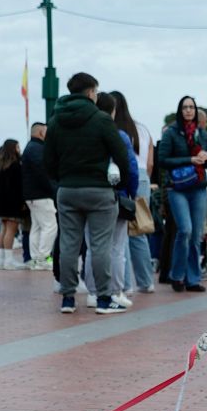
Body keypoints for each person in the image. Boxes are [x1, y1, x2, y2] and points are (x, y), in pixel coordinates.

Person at [44, 71, 131, 315]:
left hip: (68, 189)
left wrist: (61, 179)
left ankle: (68, 298)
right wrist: (117, 181)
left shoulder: (56, 120)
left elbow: (48, 159)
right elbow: (121, 155)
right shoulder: (101, 119)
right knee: (100, 245)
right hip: (99, 190)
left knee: (69, 244)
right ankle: (103, 298)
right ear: (91, 92)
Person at [79, 91, 135, 308]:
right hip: (115, 196)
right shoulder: (118, 135)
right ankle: (115, 290)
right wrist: (130, 192)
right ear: (112, 111)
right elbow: (130, 166)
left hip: (86, 192)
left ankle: (93, 291)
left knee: (93, 246)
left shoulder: (84, 133)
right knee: (117, 247)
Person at [158, 95, 207, 291]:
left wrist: (205, 158)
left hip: (198, 187)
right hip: (177, 187)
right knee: (185, 230)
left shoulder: (202, 134)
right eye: (185, 107)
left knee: (196, 234)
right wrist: (189, 159)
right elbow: (162, 160)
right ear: (180, 110)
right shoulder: (171, 133)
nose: (189, 110)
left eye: (192, 107)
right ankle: (176, 275)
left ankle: (193, 279)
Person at [111, 90, 155, 293]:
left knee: (122, 231)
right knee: (140, 229)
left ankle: (126, 284)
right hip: (144, 176)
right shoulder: (143, 129)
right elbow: (150, 162)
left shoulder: (113, 130)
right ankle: (146, 281)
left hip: (123, 176)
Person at [20, 121, 57, 270]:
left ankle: (36, 258)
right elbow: (43, 172)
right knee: (50, 226)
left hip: (32, 195)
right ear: (41, 132)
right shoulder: (37, 149)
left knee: (37, 227)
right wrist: (53, 190)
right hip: (41, 194)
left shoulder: (30, 147)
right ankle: (43, 258)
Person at [0, 140, 25, 269]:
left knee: (4, 229)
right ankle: (9, 260)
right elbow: (19, 186)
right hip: (13, 201)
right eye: (17, 146)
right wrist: (22, 202)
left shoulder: (0, 166)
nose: (19, 149)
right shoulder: (16, 165)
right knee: (11, 229)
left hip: (1, 200)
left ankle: (2, 259)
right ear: (13, 149)